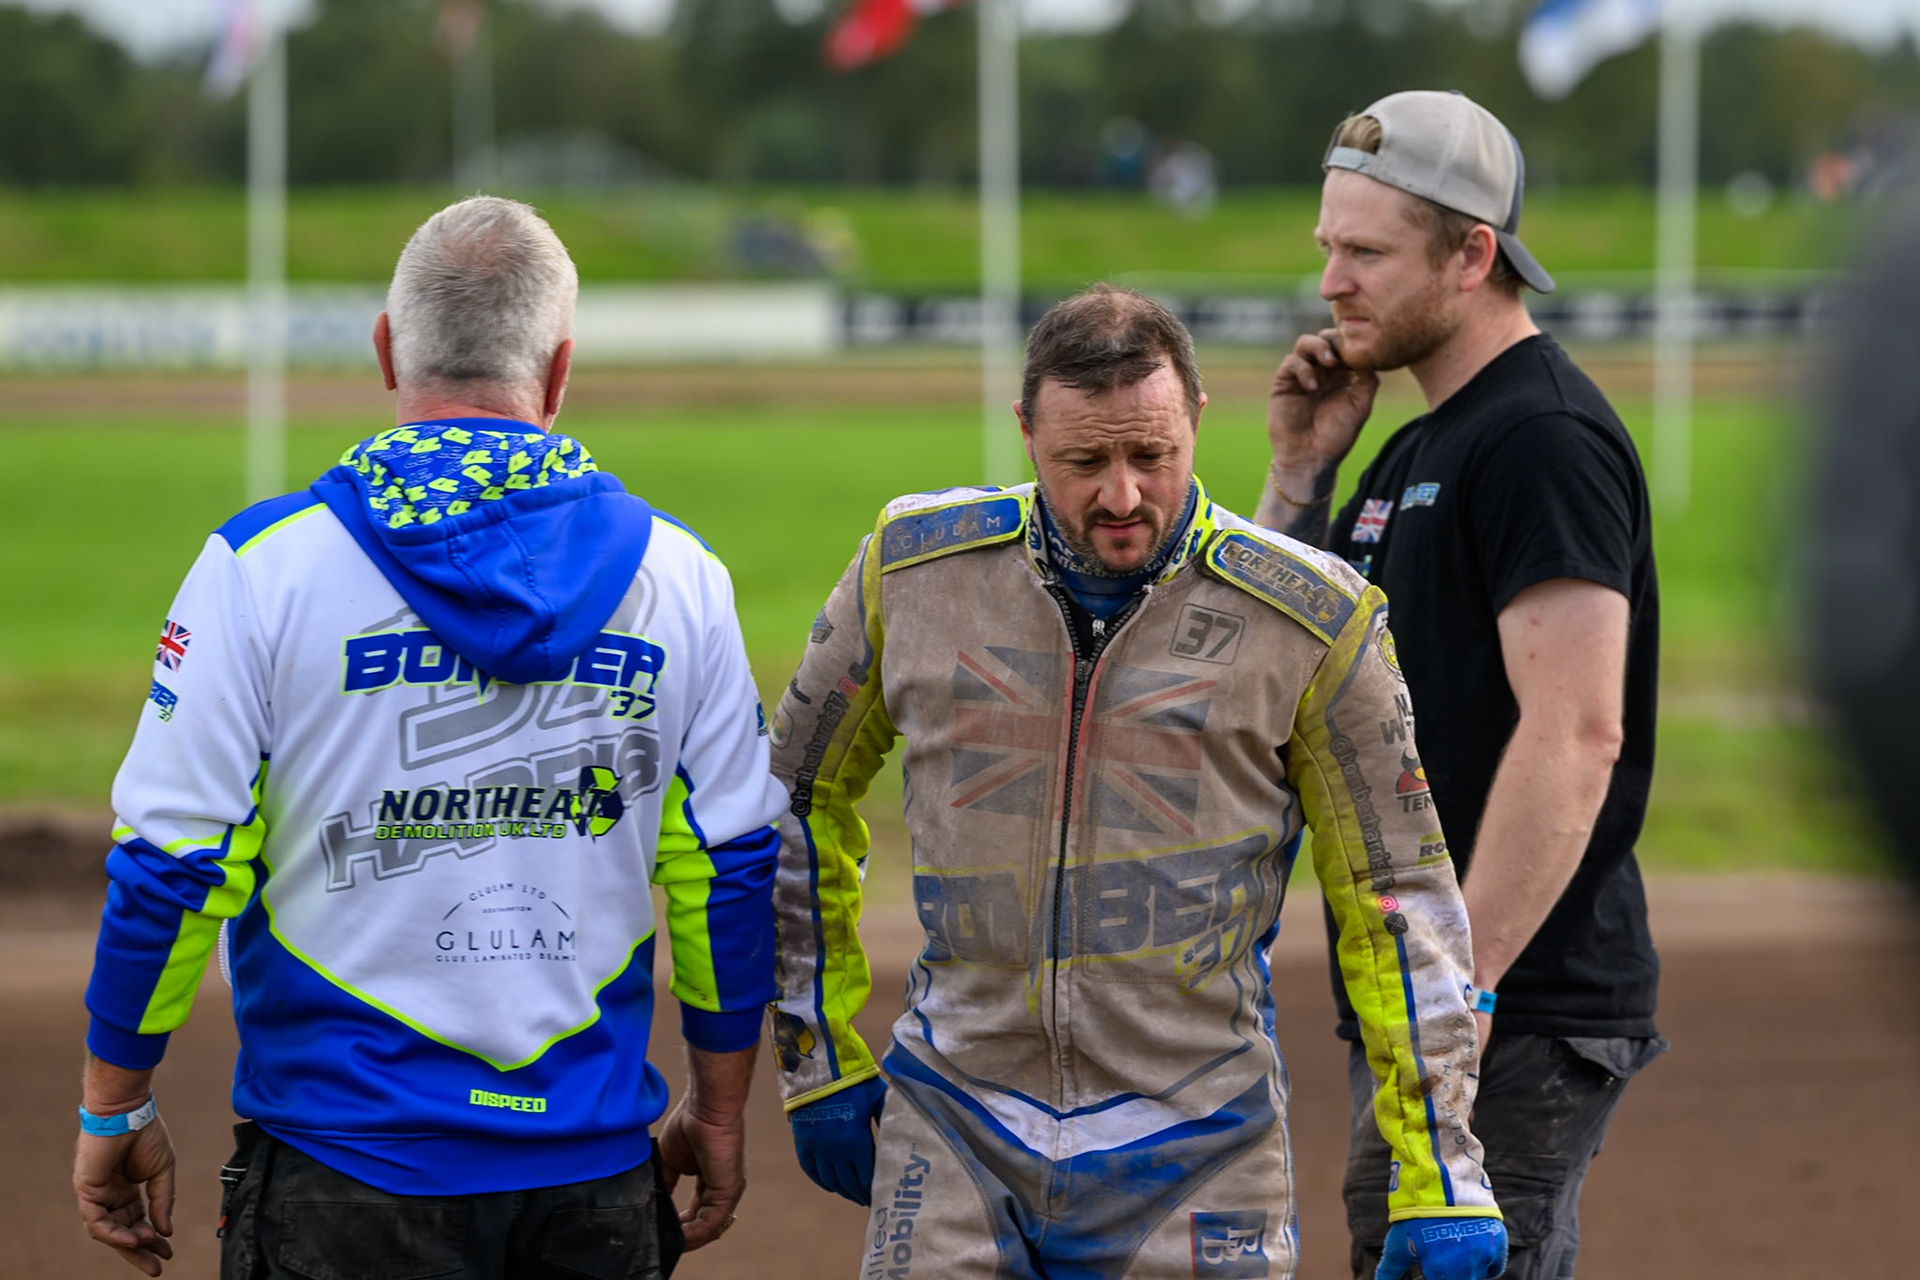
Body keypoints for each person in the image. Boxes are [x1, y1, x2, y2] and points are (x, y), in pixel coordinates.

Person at [71, 196, 783, 1280]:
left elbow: (174, 862)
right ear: (558, 373)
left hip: (340, 1166)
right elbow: (727, 867)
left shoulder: (262, 567)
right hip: (586, 1171)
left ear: (387, 348)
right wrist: (719, 1109)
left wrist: (115, 1100)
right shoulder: (682, 575)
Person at [767, 284, 1508, 1280]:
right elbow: (794, 795)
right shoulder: (909, 574)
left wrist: (1443, 1170)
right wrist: (814, 1050)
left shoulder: (1314, 621)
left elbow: (1397, 894)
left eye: (1151, 455)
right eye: (1084, 461)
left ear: (1197, 421)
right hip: (953, 1128)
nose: (1122, 496)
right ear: (1025, 432)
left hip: (1202, 1147)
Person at [1253, 91, 1668, 1280]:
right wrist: (1296, 476)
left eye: (1366, 251)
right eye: (1329, 245)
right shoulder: (1410, 444)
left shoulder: (1542, 436)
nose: (1331, 280)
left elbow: (1578, 729)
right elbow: (1265, 668)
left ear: (1474, 252)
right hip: (1423, 1008)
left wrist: (1456, 1002)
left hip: (1510, 1002)